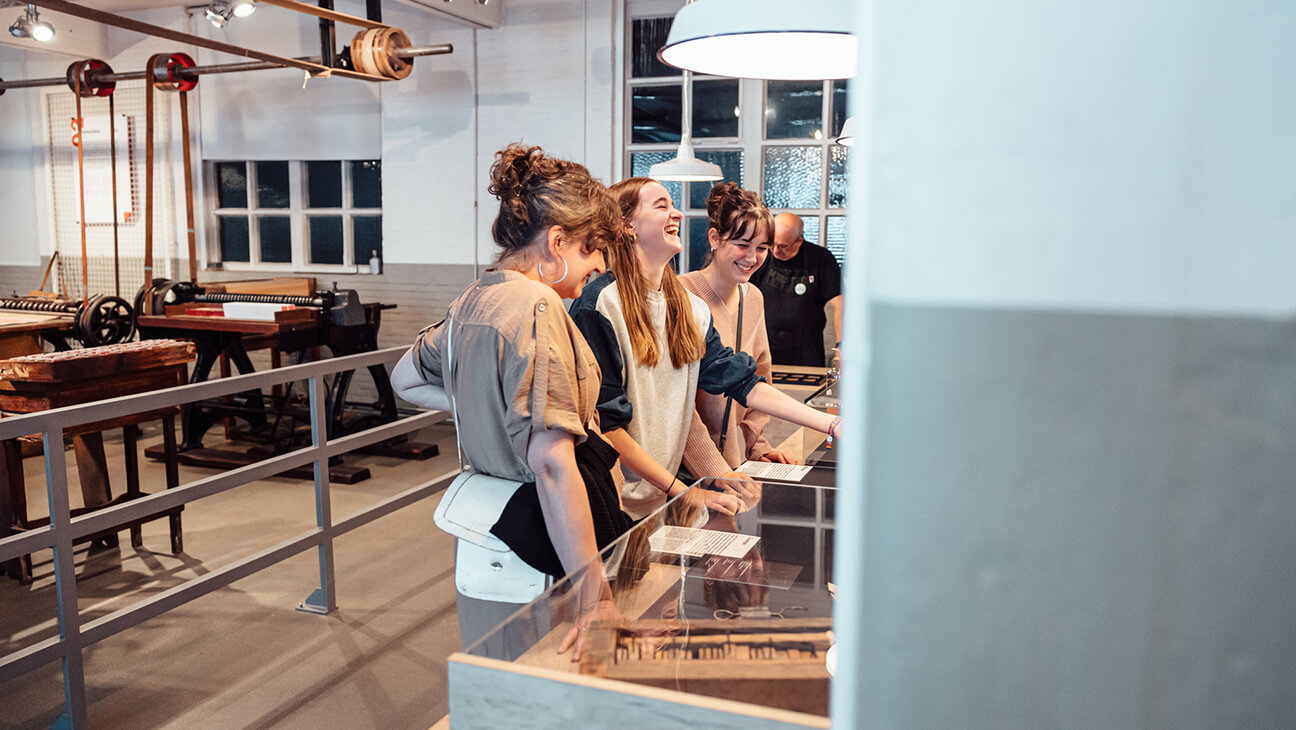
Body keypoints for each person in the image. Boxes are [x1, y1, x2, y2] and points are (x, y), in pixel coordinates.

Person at [390, 143, 629, 657]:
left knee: (499, 675)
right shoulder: (538, 305)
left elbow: (404, 380)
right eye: (592, 249)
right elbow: (550, 461)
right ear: (558, 240)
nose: (599, 265)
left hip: (489, 533)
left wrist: (486, 410)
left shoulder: (474, 297)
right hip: (546, 537)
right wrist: (594, 598)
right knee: (546, 680)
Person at [569, 177, 842, 521]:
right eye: (662, 206)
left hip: (665, 499)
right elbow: (606, 425)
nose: (678, 214)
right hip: (615, 502)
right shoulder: (599, 304)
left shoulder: (688, 306)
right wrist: (686, 491)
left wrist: (831, 425)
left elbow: (743, 382)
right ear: (627, 225)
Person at [679, 182, 796, 472]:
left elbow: (760, 375)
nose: (752, 258)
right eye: (742, 245)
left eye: (762, 248)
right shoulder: (681, 294)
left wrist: (756, 446)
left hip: (737, 465)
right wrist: (714, 471)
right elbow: (677, 403)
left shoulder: (753, 297)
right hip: (686, 469)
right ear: (715, 238)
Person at [748, 212, 843, 367]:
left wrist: (841, 346)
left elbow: (840, 304)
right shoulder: (760, 257)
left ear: (799, 241)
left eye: (783, 246)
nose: (776, 250)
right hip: (765, 346)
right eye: (772, 244)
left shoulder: (821, 259)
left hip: (807, 350)